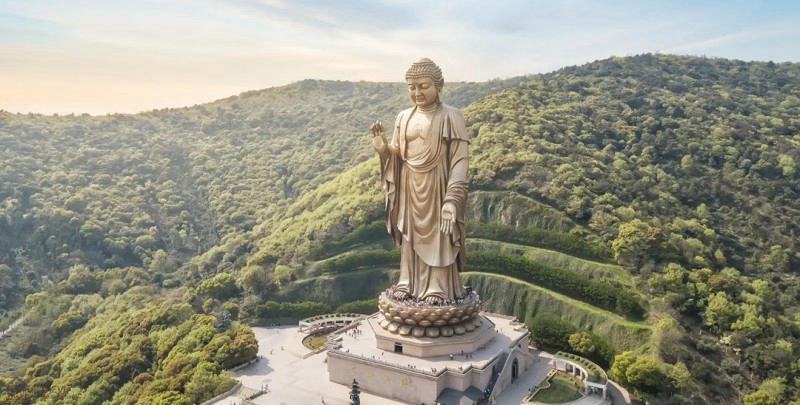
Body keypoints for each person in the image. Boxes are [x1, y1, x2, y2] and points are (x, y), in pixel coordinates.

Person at [371, 58, 469, 305]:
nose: (417, 92)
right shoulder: (403, 117)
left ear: (439, 85)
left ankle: (438, 287)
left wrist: (452, 201)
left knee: (439, 235)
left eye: (423, 86)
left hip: (437, 187)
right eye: (412, 87)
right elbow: (398, 155)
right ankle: (408, 281)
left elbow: (459, 162)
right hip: (408, 186)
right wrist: (384, 150)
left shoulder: (451, 116)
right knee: (409, 237)